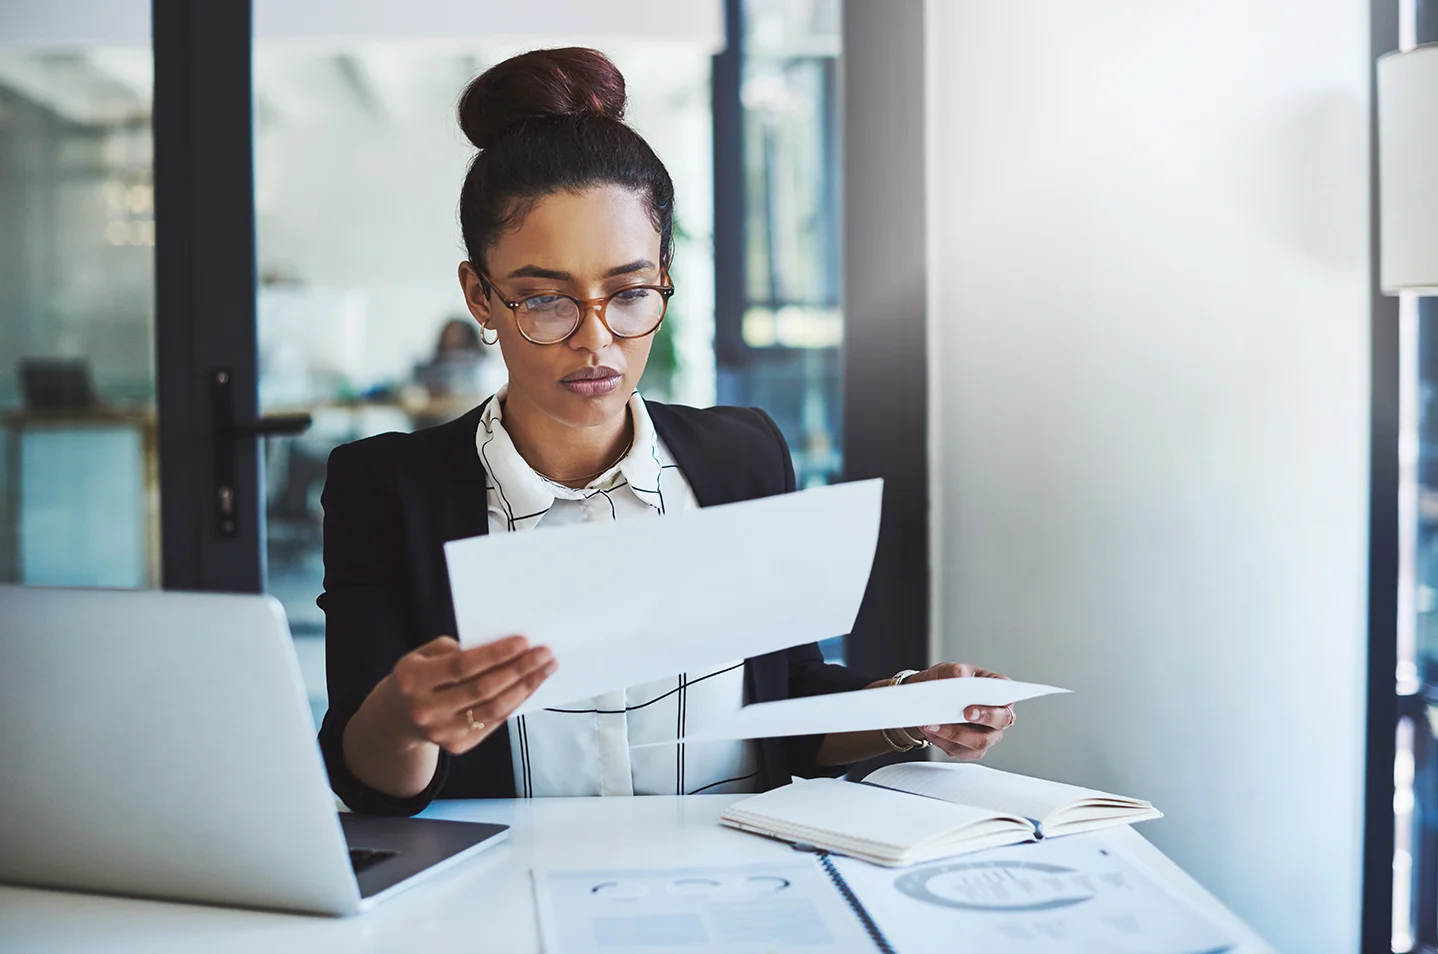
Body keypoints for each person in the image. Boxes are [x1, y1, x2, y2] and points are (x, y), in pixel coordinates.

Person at [318, 48, 1015, 815]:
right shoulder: (386, 486)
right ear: (480, 297)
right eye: (544, 300)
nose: (596, 342)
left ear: (666, 279)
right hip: (507, 900)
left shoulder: (741, 458)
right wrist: (406, 719)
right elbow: (368, 777)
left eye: (629, 292)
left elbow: (787, 704)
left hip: (733, 889)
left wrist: (903, 707)